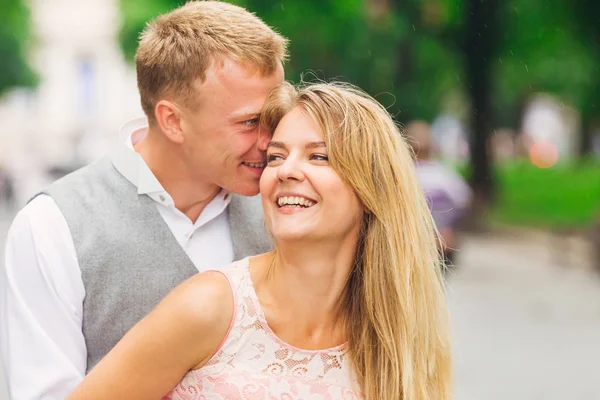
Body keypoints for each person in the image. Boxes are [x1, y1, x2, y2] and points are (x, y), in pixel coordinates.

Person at [67, 82, 452, 400]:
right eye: (275, 157)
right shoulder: (209, 307)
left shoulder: (398, 338)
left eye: (318, 157)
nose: (286, 170)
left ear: (372, 189)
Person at [0, 2, 287, 399]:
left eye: (273, 117)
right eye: (249, 122)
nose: (269, 140)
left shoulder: (286, 211)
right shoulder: (51, 226)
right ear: (172, 120)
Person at [406, 120, 472, 267]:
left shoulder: (403, 176)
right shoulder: (444, 174)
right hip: (441, 241)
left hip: (411, 243)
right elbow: (462, 200)